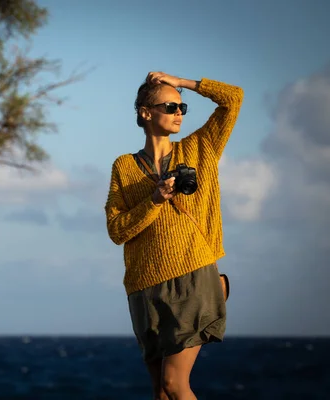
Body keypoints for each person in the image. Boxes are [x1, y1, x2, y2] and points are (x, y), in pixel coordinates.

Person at [104, 71, 243, 400]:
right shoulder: (124, 166)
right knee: (160, 392)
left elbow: (233, 98)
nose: (179, 113)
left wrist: (180, 83)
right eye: (170, 106)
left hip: (190, 275)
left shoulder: (200, 147)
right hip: (143, 288)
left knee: (174, 384)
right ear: (145, 112)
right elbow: (117, 230)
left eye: (182, 108)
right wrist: (155, 200)